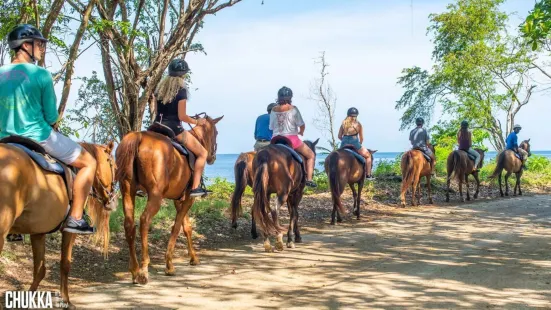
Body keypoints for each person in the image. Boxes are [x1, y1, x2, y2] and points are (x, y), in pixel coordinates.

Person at [0, 24, 97, 234]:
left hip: (3, 139)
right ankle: (76, 217)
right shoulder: (41, 75)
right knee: (89, 162)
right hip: (37, 136)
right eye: (39, 44)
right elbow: (51, 117)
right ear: (25, 45)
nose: (42, 49)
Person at [154, 58, 209, 197]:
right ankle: (195, 188)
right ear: (183, 75)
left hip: (156, 126)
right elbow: (182, 116)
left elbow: (156, 111)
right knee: (203, 154)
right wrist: (197, 122)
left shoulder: (159, 91)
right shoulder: (181, 91)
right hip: (174, 128)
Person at [269, 86, 317, 188]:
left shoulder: (273, 109)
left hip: (275, 139)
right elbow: (301, 124)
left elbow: (271, 126)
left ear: (278, 97)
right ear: (290, 97)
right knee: (311, 155)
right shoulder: (293, 109)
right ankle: (309, 179)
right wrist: (301, 132)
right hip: (291, 139)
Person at [338, 107, 374, 179]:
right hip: (354, 142)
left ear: (348, 115)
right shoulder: (358, 125)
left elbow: (339, 136)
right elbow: (361, 138)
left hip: (344, 143)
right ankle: (368, 175)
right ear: (356, 115)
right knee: (368, 156)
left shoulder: (343, 123)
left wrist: (344, 140)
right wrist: (359, 144)